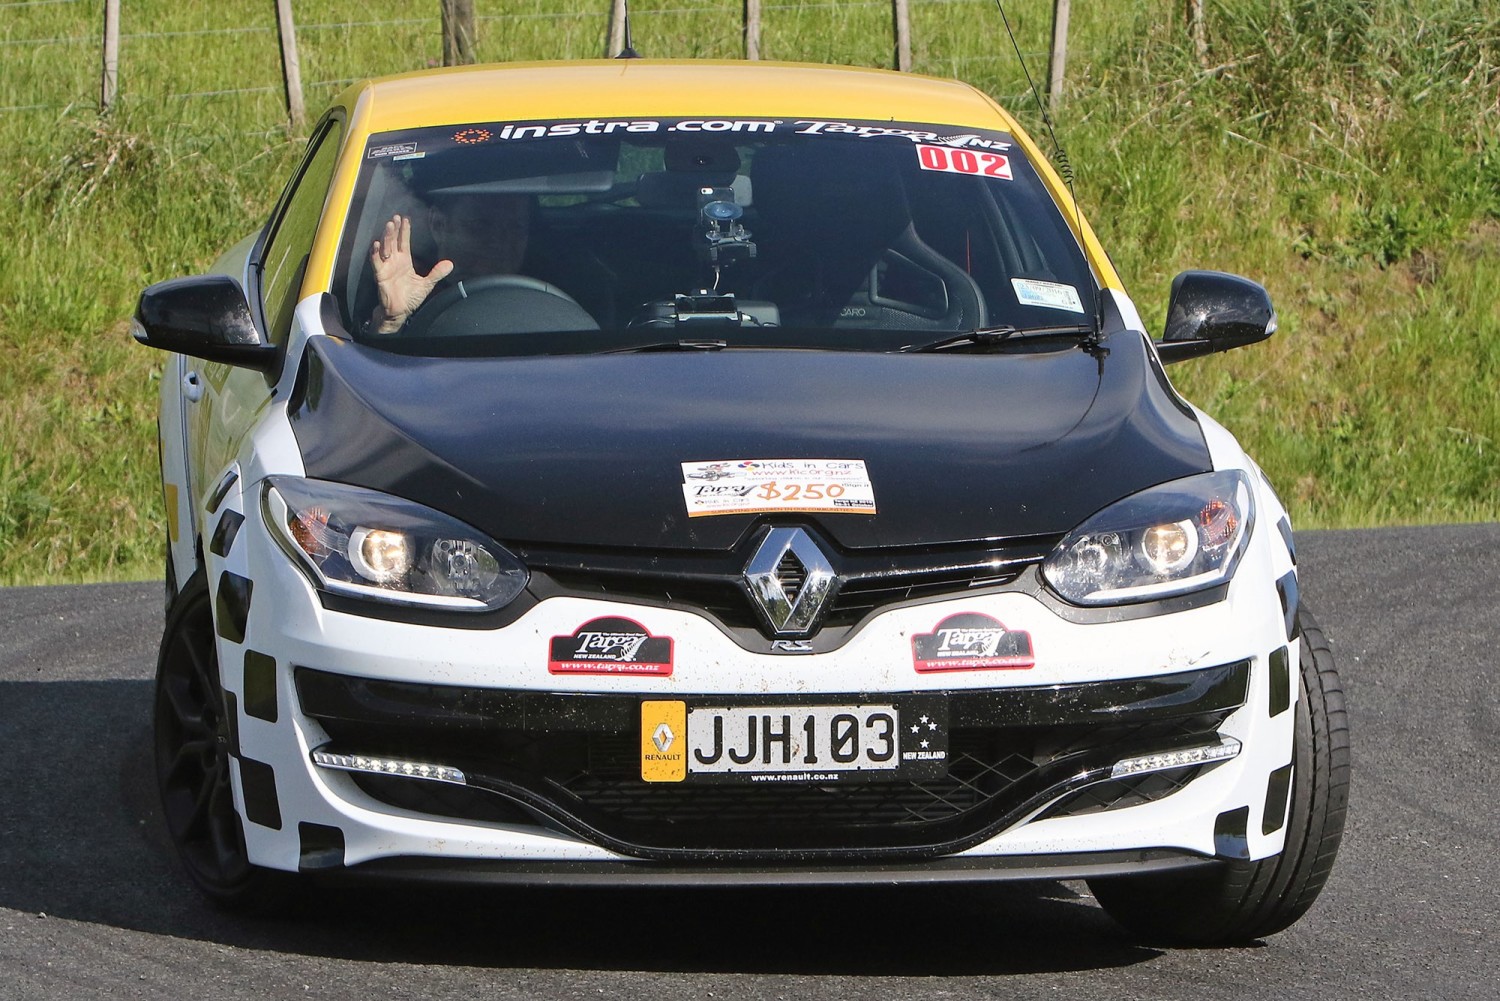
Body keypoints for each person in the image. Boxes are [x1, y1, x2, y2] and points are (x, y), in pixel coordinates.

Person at [365, 193, 531, 334]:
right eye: (480, 225)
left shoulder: (545, 291)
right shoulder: (407, 286)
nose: (500, 240)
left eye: (516, 226)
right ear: (439, 225)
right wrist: (390, 324)